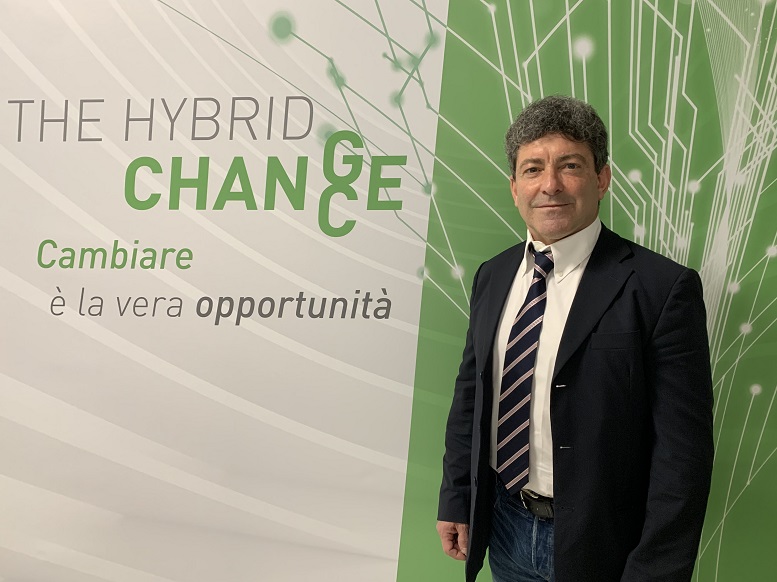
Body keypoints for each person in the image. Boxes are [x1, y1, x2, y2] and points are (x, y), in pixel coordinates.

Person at [436, 95, 714, 582]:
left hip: (606, 544)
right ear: (514, 187)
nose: (550, 185)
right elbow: (471, 397)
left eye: (570, 165)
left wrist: (655, 571)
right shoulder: (492, 276)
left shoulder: (662, 288)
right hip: (505, 526)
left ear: (601, 178)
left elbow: (683, 456)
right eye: (532, 169)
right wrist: (457, 496)